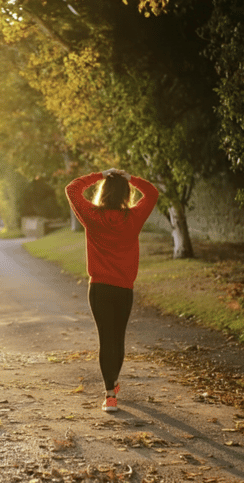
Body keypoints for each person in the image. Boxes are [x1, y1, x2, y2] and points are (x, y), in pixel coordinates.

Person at [65, 168, 159, 412]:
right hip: (123, 289)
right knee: (117, 338)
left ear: (103, 192)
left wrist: (100, 175)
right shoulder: (133, 218)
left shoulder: (92, 216)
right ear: (126, 194)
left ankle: (110, 394)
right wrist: (131, 178)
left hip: (99, 289)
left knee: (107, 339)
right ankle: (112, 387)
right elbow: (151, 193)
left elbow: (72, 189)